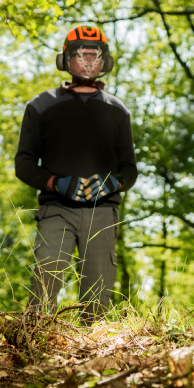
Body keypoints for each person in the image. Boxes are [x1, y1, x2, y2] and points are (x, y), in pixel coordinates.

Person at [15, 25, 137, 322]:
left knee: (99, 287)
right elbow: (24, 163)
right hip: (57, 208)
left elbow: (129, 170)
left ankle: (92, 352)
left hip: (103, 210)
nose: (87, 62)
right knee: (47, 271)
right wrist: (56, 183)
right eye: (80, 56)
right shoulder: (41, 106)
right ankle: (34, 339)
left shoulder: (118, 110)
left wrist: (112, 184)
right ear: (66, 60)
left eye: (94, 56)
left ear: (104, 61)